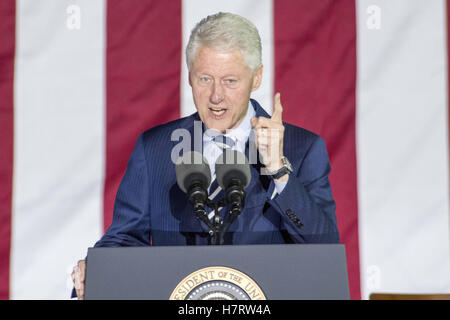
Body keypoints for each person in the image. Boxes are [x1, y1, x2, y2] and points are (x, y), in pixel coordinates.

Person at [71, 12, 340, 299]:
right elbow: (124, 238)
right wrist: (98, 269)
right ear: (189, 77)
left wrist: (278, 170)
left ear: (257, 77)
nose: (215, 96)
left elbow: (323, 250)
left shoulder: (302, 149)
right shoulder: (156, 148)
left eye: (230, 81)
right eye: (205, 78)